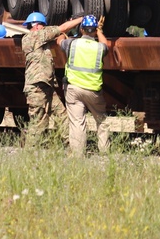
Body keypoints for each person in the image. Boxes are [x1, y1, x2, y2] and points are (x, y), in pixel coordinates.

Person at [20, 11, 83, 146]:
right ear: (37, 26)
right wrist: (81, 19)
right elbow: (62, 28)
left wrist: (65, 32)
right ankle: (30, 150)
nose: (45, 28)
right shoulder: (35, 36)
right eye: (43, 25)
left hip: (45, 85)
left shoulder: (36, 39)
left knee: (62, 115)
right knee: (38, 122)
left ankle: (72, 145)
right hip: (37, 87)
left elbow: (60, 34)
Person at [61, 14, 111, 156]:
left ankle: (77, 154)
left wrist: (68, 27)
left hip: (73, 89)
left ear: (81, 29)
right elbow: (106, 44)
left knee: (77, 122)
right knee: (101, 120)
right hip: (93, 90)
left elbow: (59, 38)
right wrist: (99, 31)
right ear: (95, 30)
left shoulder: (71, 44)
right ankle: (104, 151)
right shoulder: (100, 48)